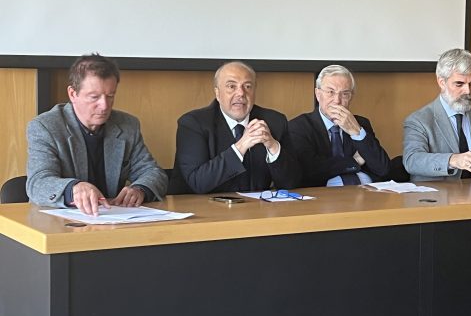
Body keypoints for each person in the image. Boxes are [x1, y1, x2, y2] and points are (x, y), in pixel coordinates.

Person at [26, 53, 168, 215]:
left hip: (113, 218)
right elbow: (37, 183)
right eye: (94, 97)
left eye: (110, 96)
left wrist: (140, 189)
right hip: (56, 221)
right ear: (73, 94)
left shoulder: (127, 125)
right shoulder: (45, 127)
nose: (104, 105)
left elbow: (153, 172)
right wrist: (73, 188)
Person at [170, 61, 301, 194]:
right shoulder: (193, 123)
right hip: (201, 205)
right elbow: (198, 183)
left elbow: (291, 184)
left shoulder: (274, 121)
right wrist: (241, 146)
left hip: (258, 205)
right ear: (217, 93)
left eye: (248, 86)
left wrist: (273, 146)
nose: (241, 93)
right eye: (231, 86)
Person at [403, 48, 471, 181]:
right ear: (442, 82)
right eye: (459, 84)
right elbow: (412, 161)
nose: (467, 91)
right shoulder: (419, 120)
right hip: (438, 193)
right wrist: (452, 160)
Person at [288, 65, 390, 187]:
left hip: (366, 191)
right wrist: (354, 161)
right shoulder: (299, 126)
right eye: (330, 92)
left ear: (351, 97)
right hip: (325, 194)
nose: (337, 100)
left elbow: (383, 169)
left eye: (345, 94)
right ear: (318, 94)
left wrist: (357, 133)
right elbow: (309, 172)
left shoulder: (361, 123)